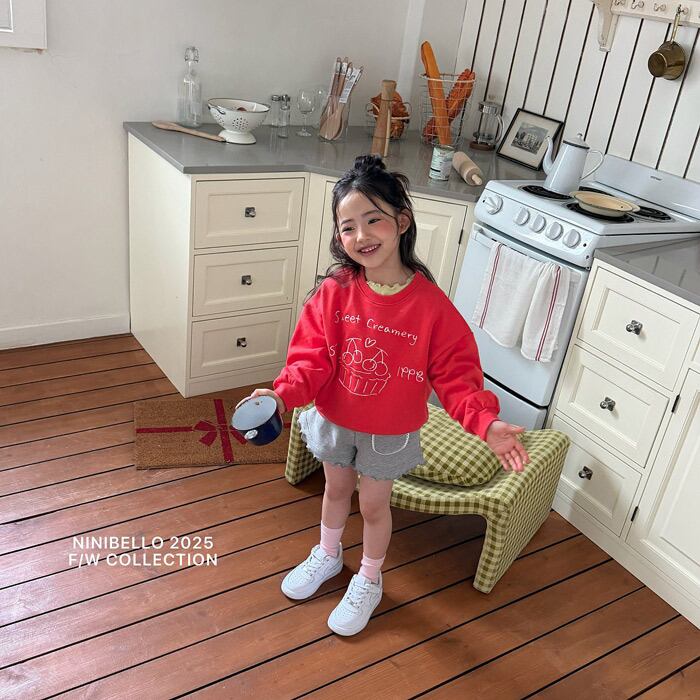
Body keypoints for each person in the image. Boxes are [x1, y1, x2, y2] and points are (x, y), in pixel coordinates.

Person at [242, 154, 529, 636]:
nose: (361, 235)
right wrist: (280, 396)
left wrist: (487, 423)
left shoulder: (432, 308)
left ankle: (370, 579)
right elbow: (310, 359)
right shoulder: (334, 292)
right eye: (348, 227)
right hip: (335, 419)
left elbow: (457, 377)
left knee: (374, 507)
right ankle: (328, 555)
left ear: (402, 221)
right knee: (335, 491)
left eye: (373, 219)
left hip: (390, 432)